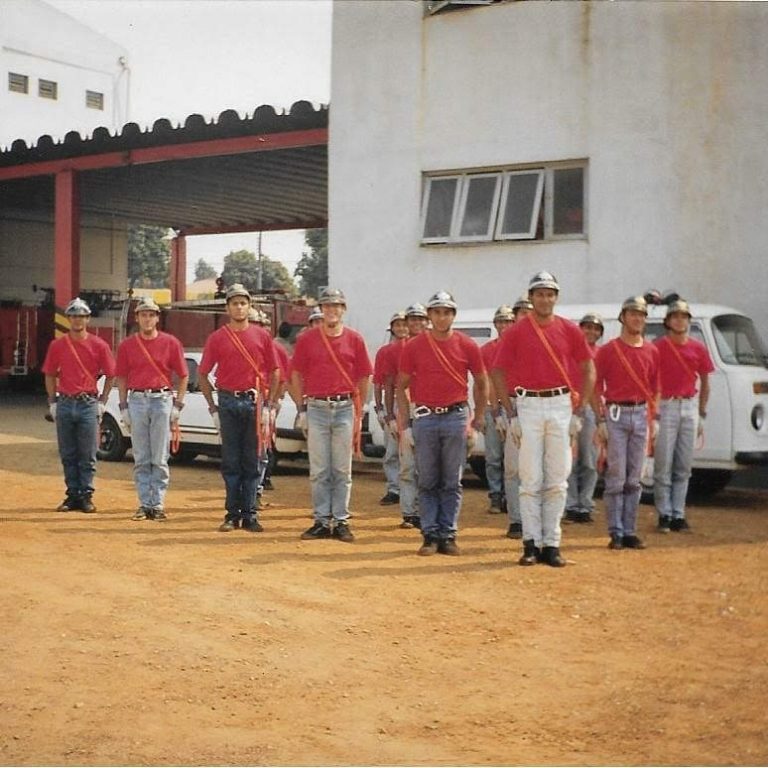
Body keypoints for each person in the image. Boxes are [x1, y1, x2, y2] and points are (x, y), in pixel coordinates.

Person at [492, 271, 595, 568]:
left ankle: (552, 543)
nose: (545, 299)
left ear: (556, 297)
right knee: (529, 479)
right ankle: (530, 543)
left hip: (561, 405)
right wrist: (510, 413)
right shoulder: (516, 331)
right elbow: (497, 371)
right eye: (539, 294)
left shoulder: (570, 330)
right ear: (531, 297)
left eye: (550, 294)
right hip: (529, 405)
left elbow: (588, 368)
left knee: (557, 478)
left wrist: (578, 412)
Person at [396, 291, 487, 556]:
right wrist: (407, 424)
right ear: (430, 315)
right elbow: (400, 386)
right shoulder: (414, 346)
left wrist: (478, 418)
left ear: (453, 315)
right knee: (427, 479)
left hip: (455, 416)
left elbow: (482, 382)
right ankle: (429, 534)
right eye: (436, 312)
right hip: (425, 418)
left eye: (446, 312)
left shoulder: (467, 344)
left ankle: (448, 534)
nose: (441, 317)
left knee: (452, 480)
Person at [291, 287, 373, 543]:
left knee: (341, 468)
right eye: (327, 306)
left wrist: (359, 409)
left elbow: (364, 375)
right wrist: (301, 408)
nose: (332, 310)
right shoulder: (307, 339)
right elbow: (295, 374)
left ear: (343, 310)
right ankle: (321, 519)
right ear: (321, 310)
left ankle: (340, 520)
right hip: (316, 408)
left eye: (336, 306)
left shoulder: (355, 339)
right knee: (319, 469)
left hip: (344, 408)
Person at [199, 284, 280, 533]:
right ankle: (232, 514)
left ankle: (250, 514)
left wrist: (269, 404)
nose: (239, 307)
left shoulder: (262, 336)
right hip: (228, 401)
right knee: (231, 462)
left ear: (249, 306)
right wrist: (213, 408)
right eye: (234, 303)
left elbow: (275, 371)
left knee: (252, 461)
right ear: (227, 308)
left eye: (243, 302)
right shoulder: (217, 337)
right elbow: (203, 374)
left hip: (254, 402)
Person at [593, 296, 660, 550]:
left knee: (635, 478)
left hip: (640, 414)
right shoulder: (609, 350)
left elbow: (655, 388)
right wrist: (600, 418)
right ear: (623, 317)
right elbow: (596, 384)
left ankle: (630, 530)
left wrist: (655, 419)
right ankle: (616, 532)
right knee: (616, 476)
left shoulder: (652, 350)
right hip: (616, 415)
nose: (637, 319)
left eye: (642, 315)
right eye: (633, 314)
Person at [116, 298, 188, 521]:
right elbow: (121, 377)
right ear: (137, 318)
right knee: (141, 456)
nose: (147, 319)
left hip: (161, 399)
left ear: (157, 318)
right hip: (137, 399)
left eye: (151, 314)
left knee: (159, 456)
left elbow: (184, 375)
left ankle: (157, 504)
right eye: (143, 315)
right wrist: (123, 406)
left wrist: (178, 405)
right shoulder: (127, 345)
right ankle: (143, 503)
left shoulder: (170, 343)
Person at [42, 297, 116, 513]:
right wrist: (52, 401)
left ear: (88, 319)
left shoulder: (99, 345)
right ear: (69, 319)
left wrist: (102, 401)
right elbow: (49, 374)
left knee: (88, 453)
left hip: (87, 402)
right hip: (65, 401)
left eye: (81, 316)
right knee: (68, 452)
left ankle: (86, 495)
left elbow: (111, 374)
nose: (77, 320)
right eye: (74, 316)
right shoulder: (58, 345)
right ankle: (72, 494)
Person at [653, 299, 714, 533]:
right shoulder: (658, 346)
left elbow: (706, 382)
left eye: (684, 316)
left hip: (689, 406)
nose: (680, 320)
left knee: (684, 465)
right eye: (676, 316)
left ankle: (678, 513)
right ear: (668, 321)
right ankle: (664, 514)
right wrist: (654, 413)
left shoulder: (698, 348)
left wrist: (702, 414)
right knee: (663, 463)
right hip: (666, 405)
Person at [385, 302, 429, 530]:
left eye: (421, 319)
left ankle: (425, 511)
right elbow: (392, 383)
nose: (417, 323)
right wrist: (392, 416)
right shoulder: (398, 350)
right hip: (406, 409)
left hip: (428, 409)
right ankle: (409, 512)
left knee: (427, 467)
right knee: (407, 466)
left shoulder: (433, 345)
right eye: (413, 319)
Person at [564, 312, 604, 524]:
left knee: (590, 459)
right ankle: (570, 504)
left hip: (591, 408)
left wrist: (601, 416)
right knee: (569, 459)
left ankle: (585, 504)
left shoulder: (602, 354)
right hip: (569, 407)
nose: (591, 331)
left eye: (595, 328)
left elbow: (601, 386)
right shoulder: (570, 352)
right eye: (587, 327)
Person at [499, 295, 533, 539]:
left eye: (528, 311)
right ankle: (516, 520)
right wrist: (503, 411)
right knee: (512, 467)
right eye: (520, 312)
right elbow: (495, 376)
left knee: (536, 468)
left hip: (538, 403)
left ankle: (534, 519)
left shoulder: (546, 339)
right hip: (512, 403)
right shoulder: (507, 341)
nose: (525, 315)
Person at [481, 305, 515, 515]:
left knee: (513, 457)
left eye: (508, 321)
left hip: (514, 404)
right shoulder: (486, 350)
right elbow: (487, 380)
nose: (504, 325)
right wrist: (494, 409)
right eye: (500, 321)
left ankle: (511, 498)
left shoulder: (519, 347)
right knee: (493, 455)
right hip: (494, 405)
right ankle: (495, 495)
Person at [373, 311, 408, 507]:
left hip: (414, 401)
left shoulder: (415, 348)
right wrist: (381, 408)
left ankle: (410, 489)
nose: (401, 328)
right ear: (392, 328)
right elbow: (380, 382)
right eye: (397, 325)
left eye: (404, 324)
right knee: (392, 449)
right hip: (393, 401)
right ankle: (394, 488)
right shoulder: (385, 352)